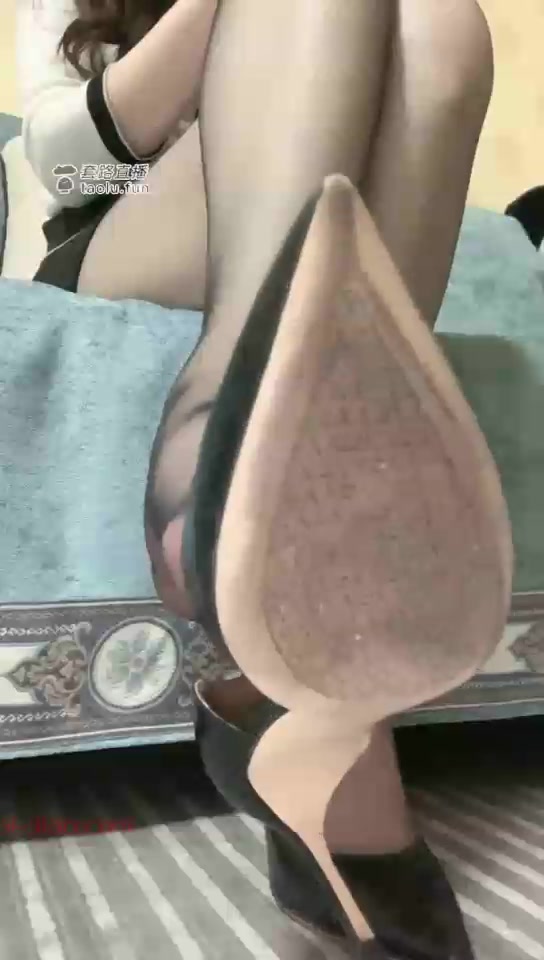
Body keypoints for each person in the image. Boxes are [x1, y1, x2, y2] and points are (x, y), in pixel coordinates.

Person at [19, 1, 513, 956]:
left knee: (443, 24)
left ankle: (317, 439)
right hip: (123, 227)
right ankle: (222, 436)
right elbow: (66, 169)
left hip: (308, 206)